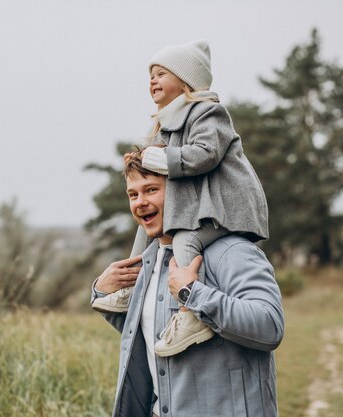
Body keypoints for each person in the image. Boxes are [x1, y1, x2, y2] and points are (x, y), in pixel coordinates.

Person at [92, 40, 269, 357]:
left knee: (186, 240)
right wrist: (137, 160)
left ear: (186, 80)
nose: (152, 81)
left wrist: (159, 160)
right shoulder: (166, 122)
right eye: (150, 76)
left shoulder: (209, 112)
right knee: (145, 236)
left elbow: (206, 154)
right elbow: (140, 332)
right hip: (198, 204)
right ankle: (131, 284)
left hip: (225, 206)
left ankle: (190, 314)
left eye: (161, 73)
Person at [91, 149, 284, 417]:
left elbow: (270, 326)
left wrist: (193, 293)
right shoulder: (149, 262)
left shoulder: (232, 252)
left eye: (151, 190)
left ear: (182, 193)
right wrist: (102, 293)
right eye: (133, 194)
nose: (140, 202)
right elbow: (152, 333)